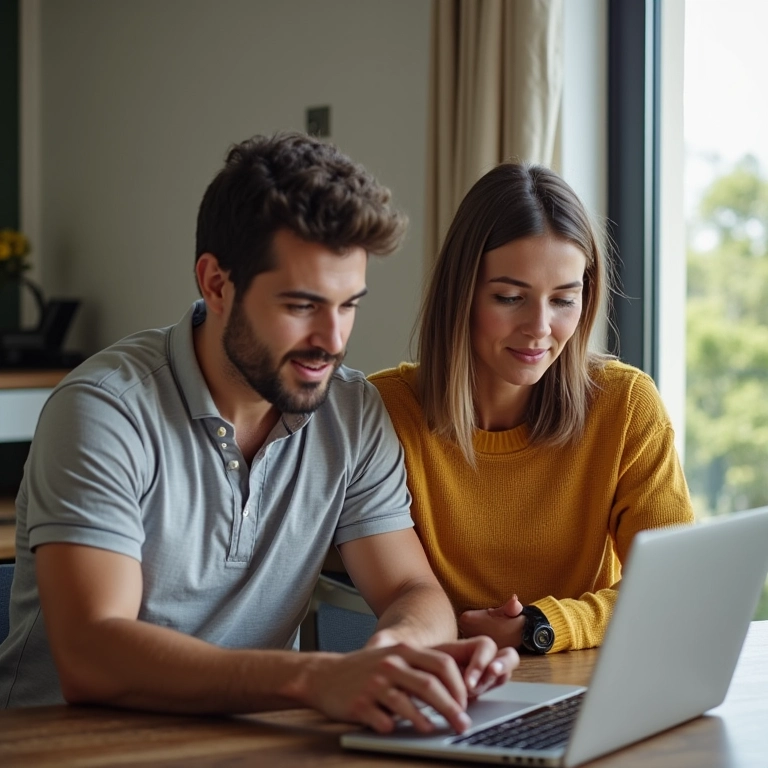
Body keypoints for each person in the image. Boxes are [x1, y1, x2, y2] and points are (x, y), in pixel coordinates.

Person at [0, 132, 517, 732]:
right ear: (217, 284)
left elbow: (411, 589)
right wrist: (315, 679)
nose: (333, 339)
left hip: (254, 741)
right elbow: (94, 655)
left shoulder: (351, 411)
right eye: (302, 306)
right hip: (73, 749)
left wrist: (394, 654)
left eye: (348, 304)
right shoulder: (104, 411)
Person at [370, 162, 695, 655]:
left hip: (585, 685)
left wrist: (541, 627)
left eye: (564, 300)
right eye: (509, 297)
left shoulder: (625, 406)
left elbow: (676, 588)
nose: (540, 327)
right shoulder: (385, 411)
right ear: (462, 294)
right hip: (450, 687)